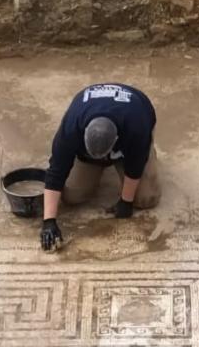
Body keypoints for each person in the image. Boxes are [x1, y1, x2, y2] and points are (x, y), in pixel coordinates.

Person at [40, 83, 161, 252]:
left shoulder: (136, 125)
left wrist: (126, 201)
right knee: (72, 196)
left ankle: (145, 153)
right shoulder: (71, 127)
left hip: (133, 126)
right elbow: (56, 171)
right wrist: (48, 222)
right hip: (94, 143)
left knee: (146, 199)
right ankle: (98, 161)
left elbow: (135, 165)